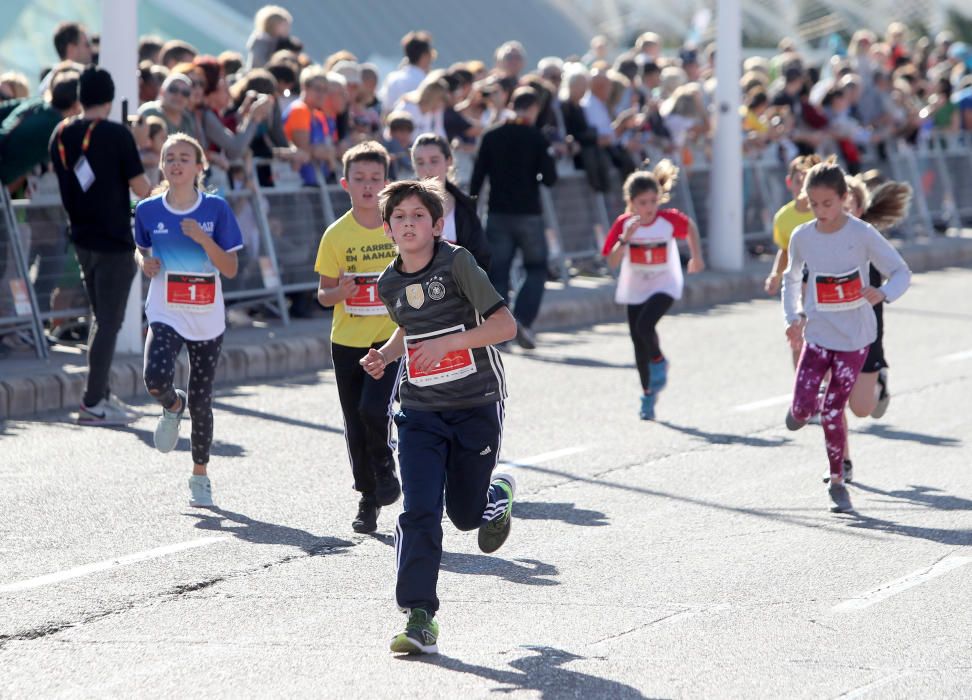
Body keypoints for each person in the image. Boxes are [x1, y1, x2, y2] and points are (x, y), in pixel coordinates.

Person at [360, 179, 518, 655]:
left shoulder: (457, 262)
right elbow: (410, 327)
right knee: (419, 510)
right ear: (388, 229)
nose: (409, 224)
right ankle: (419, 614)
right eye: (400, 217)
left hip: (475, 404)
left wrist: (446, 345)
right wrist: (388, 356)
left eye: (418, 216)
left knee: (465, 516)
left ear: (436, 224)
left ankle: (494, 497)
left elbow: (504, 325)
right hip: (420, 410)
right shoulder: (389, 282)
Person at [782, 160, 911, 513]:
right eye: (815, 203)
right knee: (802, 408)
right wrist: (793, 317)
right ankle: (799, 408)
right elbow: (791, 279)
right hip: (819, 333)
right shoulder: (802, 236)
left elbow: (900, 271)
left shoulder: (861, 233)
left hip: (855, 338)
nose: (822, 211)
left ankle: (837, 477)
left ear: (843, 198)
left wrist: (884, 292)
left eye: (828, 203)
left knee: (837, 409)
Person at [134, 134, 242, 507]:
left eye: (184, 158)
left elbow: (229, 267)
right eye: (169, 158)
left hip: (206, 316)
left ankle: (200, 475)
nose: (176, 163)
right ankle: (171, 404)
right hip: (166, 308)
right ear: (162, 166)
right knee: (155, 378)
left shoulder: (216, 210)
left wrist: (203, 239)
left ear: (200, 166)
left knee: (202, 397)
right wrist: (142, 262)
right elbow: (142, 247)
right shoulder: (148, 210)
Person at [49, 66, 152, 425]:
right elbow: (142, 189)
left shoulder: (59, 133)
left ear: (80, 96)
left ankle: (102, 394)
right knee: (108, 322)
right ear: (109, 100)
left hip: (81, 236)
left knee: (100, 318)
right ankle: (93, 402)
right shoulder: (115, 134)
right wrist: (137, 142)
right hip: (113, 239)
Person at [314, 142, 402, 533]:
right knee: (354, 421)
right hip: (347, 341)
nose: (368, 187)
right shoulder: (336, 235)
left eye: (376, 179)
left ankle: (385, 466)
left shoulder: (398, 227)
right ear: (345, 183)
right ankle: (368, 497)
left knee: (373, 409)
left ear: (387, 183)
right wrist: (342, 293)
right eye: (361, 180)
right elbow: (323, 294)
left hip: (390, 340)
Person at [825, 175, 912, 484]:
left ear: (860, 209)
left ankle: (880, 381)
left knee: (862, 408)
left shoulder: (869, 238)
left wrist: (885, 293)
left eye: (850, 206)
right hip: (829, 332)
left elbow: (900, 272)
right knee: (831, 400)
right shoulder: (817, 237)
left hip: (866, 332)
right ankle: (841, 463)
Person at [601, 162, 705, 420]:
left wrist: (696, 257)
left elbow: (689, 226)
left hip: (664, 284)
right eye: (642, 203)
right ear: (632, 203)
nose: (649, 208)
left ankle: (659, 361)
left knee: (645, 326)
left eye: (652, 201)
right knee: (637, 342)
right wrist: (626, 238)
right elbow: (612, 261)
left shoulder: (667, 220)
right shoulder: (625, 224)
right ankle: (647, 395)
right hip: (635, 286)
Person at [469, 87, 557, 350]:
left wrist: (472, 211)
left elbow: (477, 179)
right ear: (534, 109)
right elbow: (550, 178)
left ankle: (499, 330)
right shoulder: (536, 137)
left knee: (498, 272)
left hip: (497, 212)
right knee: (536, 268)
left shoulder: (491, 135)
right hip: (529, 212)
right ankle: (524, 322)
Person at [764, 154, 820, 367]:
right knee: (797, 333)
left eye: (807, 181)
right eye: (798, 181)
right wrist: (775, 274)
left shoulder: (823, 213)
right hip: (799, 284)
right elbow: (784, 250)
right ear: (790, 183)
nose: (803, 187)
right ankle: (801, 389)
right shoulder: (783, 217)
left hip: (823, 283)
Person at [410, 132, 490, 270]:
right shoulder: (401, 207)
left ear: (449, 161)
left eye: (434, 160)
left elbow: (481, 260)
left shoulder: (465, 207)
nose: (427, 169)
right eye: (420, 162)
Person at [381, 31, 435, 113]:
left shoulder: (392, 78)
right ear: (424, 56)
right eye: (431, 55)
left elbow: (386, 109)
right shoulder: (427, 83)